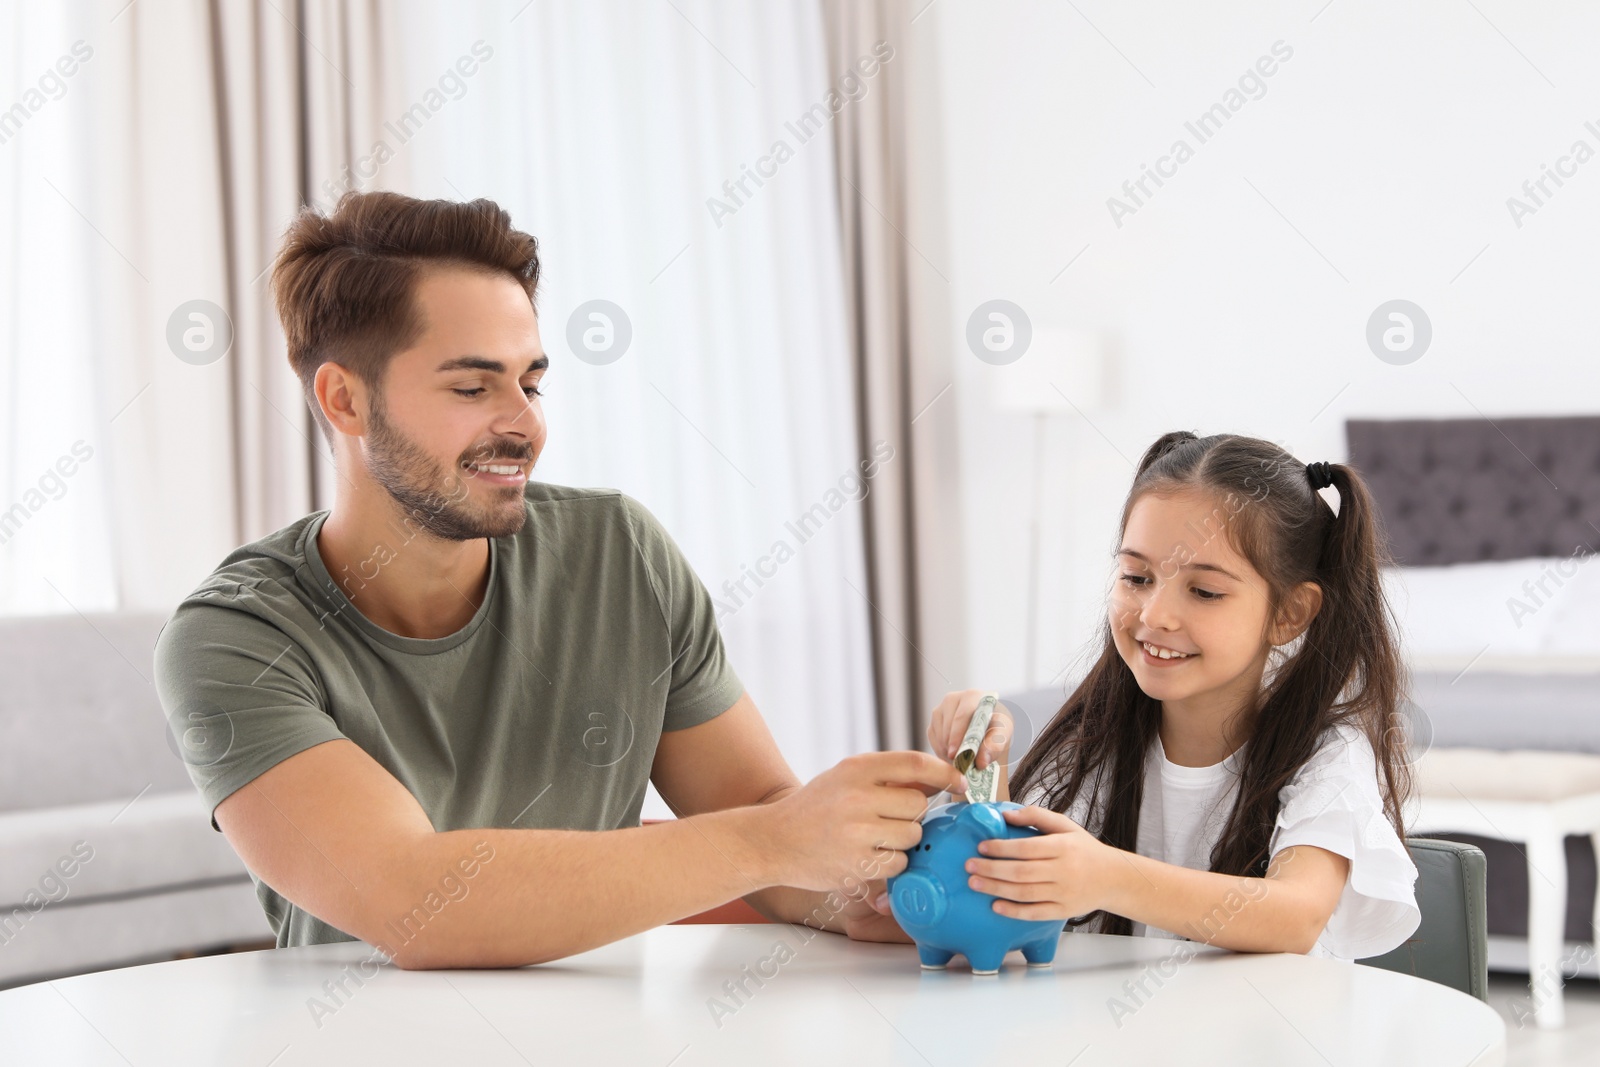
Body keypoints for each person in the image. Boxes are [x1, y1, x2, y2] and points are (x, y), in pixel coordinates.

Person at [153, 190, 964, 969]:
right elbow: (415, 900)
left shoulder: (620, 552)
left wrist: (875, 886)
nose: (525, 422)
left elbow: (756, 813)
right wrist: (777, 839)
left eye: (531, 382)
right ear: (345, 399)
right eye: (473, 387)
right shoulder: (235, 639)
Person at [917, 431, 1421, 959]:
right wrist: (979, 769)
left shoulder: (1327, 755)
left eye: (1204, 592)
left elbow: (1293, 917)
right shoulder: (1091, 742)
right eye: (1137, 576)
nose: (1155, 615)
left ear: (1289, 614)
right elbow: (997, 896)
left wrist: (1108, 876)